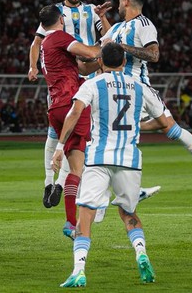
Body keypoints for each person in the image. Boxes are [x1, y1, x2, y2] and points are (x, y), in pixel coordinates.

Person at [27, 0, 160, 211]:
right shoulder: (55, 14)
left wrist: (102, 18)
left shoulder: (91, 10)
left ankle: (65, 185)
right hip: (69, 75)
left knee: (88, 136)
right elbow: (36, 43)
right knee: (63, 135)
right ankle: (53, 184)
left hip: (90, 74)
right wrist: (33, 66)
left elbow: (112, 36)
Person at [52, 43, 168, 287]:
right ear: (124, 63)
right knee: (128, 213)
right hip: (129, 160)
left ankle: (79, 270)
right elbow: (163, 122)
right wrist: (137, 125)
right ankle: (141, 253)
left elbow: (74, 113)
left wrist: (60, 146)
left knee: (86, 215)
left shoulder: (93, 84)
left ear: (101, 63)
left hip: (99, 158)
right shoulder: (140, 86)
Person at [101, 0, 192, 187]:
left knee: (169, 127)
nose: (118, 6)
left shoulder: (144, 25)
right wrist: (100, 20)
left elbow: (154, 55)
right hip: (115, 88)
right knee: (113, 136)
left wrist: (123, 48)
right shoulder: (117, 27)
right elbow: (105, 45)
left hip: (139, 88)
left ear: (126, 1)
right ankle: (126, 190)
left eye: (119, 2)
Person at [38, 4, 103, 239]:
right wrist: (107, 46)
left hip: (55, 106)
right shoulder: (59, 38)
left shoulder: (46, 46)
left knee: (77, 167)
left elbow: (83, 65)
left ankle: (70, 223)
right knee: (90, 160)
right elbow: (89, 53)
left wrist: (99, 61)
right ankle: (100, 202)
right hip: (71, 103)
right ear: (61, 19)